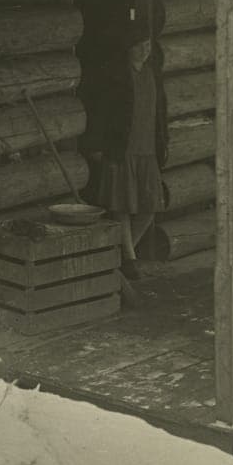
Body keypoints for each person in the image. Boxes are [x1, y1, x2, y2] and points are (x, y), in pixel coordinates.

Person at [81, 22, 168, 280]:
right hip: (122, 150)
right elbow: (101, 113)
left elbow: (160, 112)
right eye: (138, 45)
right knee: (122, 206)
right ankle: (129, 259)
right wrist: (95, 145)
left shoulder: (153, 74)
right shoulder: (115, 76)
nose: (143, 50)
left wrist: (164, 141)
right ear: (127, 48)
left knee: (149, 207)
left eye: (147, 45)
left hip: (148, 151)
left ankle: (119, 255)